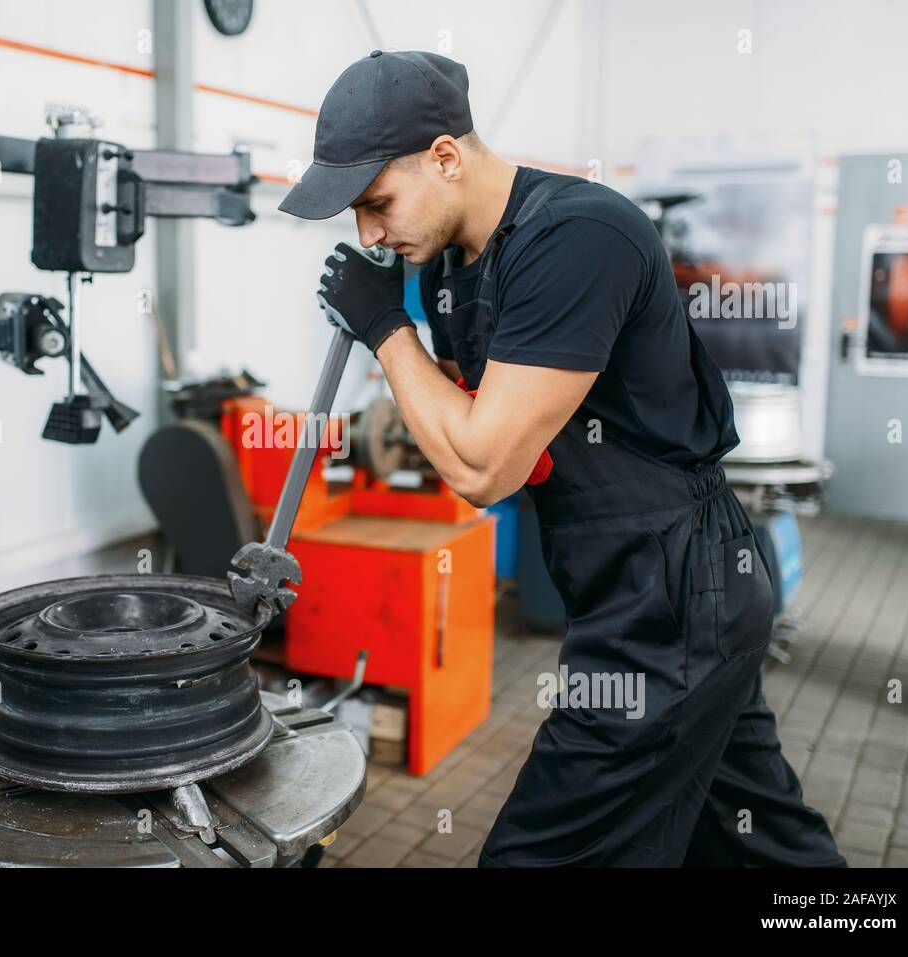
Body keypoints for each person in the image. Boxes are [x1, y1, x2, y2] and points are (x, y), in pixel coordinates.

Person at [278, 49, 846, 867]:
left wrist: (384, 329)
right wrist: (414, 351)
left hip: (674, 596)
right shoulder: (446, 266)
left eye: (376, 204)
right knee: (760, 842)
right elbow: (472, 418)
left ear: (445, 156)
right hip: (634, 587)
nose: (368, 233)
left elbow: (480, 467)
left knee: (536, 857)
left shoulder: (580, 237)